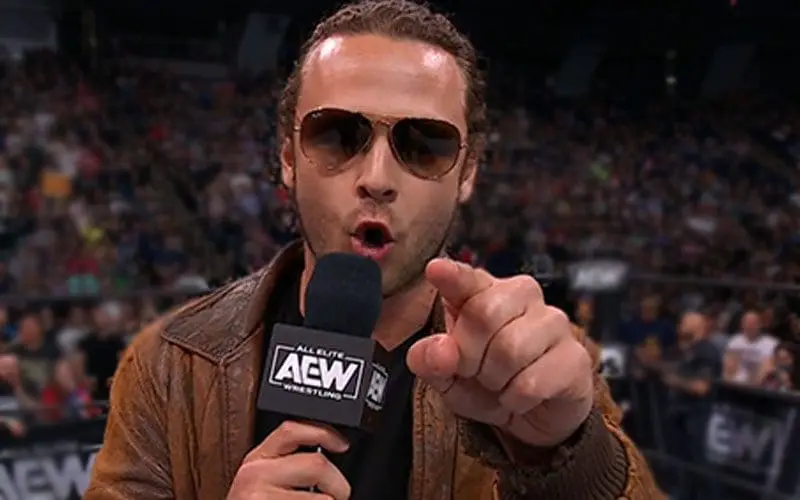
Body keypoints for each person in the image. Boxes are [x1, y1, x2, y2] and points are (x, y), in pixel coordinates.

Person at [86, 1, 660, 499]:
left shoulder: (536, 362)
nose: (377, 178)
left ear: (467, 173)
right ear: (287, 158)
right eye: (337, 135)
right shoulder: (170, 366)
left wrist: (564, 457)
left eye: (425, 144)